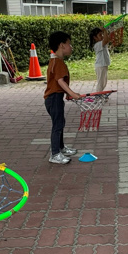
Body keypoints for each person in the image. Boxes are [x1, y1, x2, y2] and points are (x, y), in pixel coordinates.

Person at [44, 31, 84, 165]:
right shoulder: (58, 62)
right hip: (54, 98)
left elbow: (58, 82)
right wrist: (72, 93)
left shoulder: (55, 61)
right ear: (62, 45)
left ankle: (61, 148)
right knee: (58, 125)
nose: (71, 47)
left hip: (55, 97)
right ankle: (55, 154)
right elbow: (60, 81)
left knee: (60, 122)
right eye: (69, 44)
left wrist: (67, 94)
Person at [89, 26, 111, 93]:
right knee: (101, 83)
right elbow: (106, 40)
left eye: (102, 34)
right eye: (100, 35)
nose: (102, 36)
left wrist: (104, 31)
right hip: (100, 66)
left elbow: (107, 39)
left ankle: (99, 94)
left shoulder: (101, 43)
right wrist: (104, 31)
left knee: (103, 82)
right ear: (95, 37)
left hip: (103, 65)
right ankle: (98, 95)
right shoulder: (97, 44)